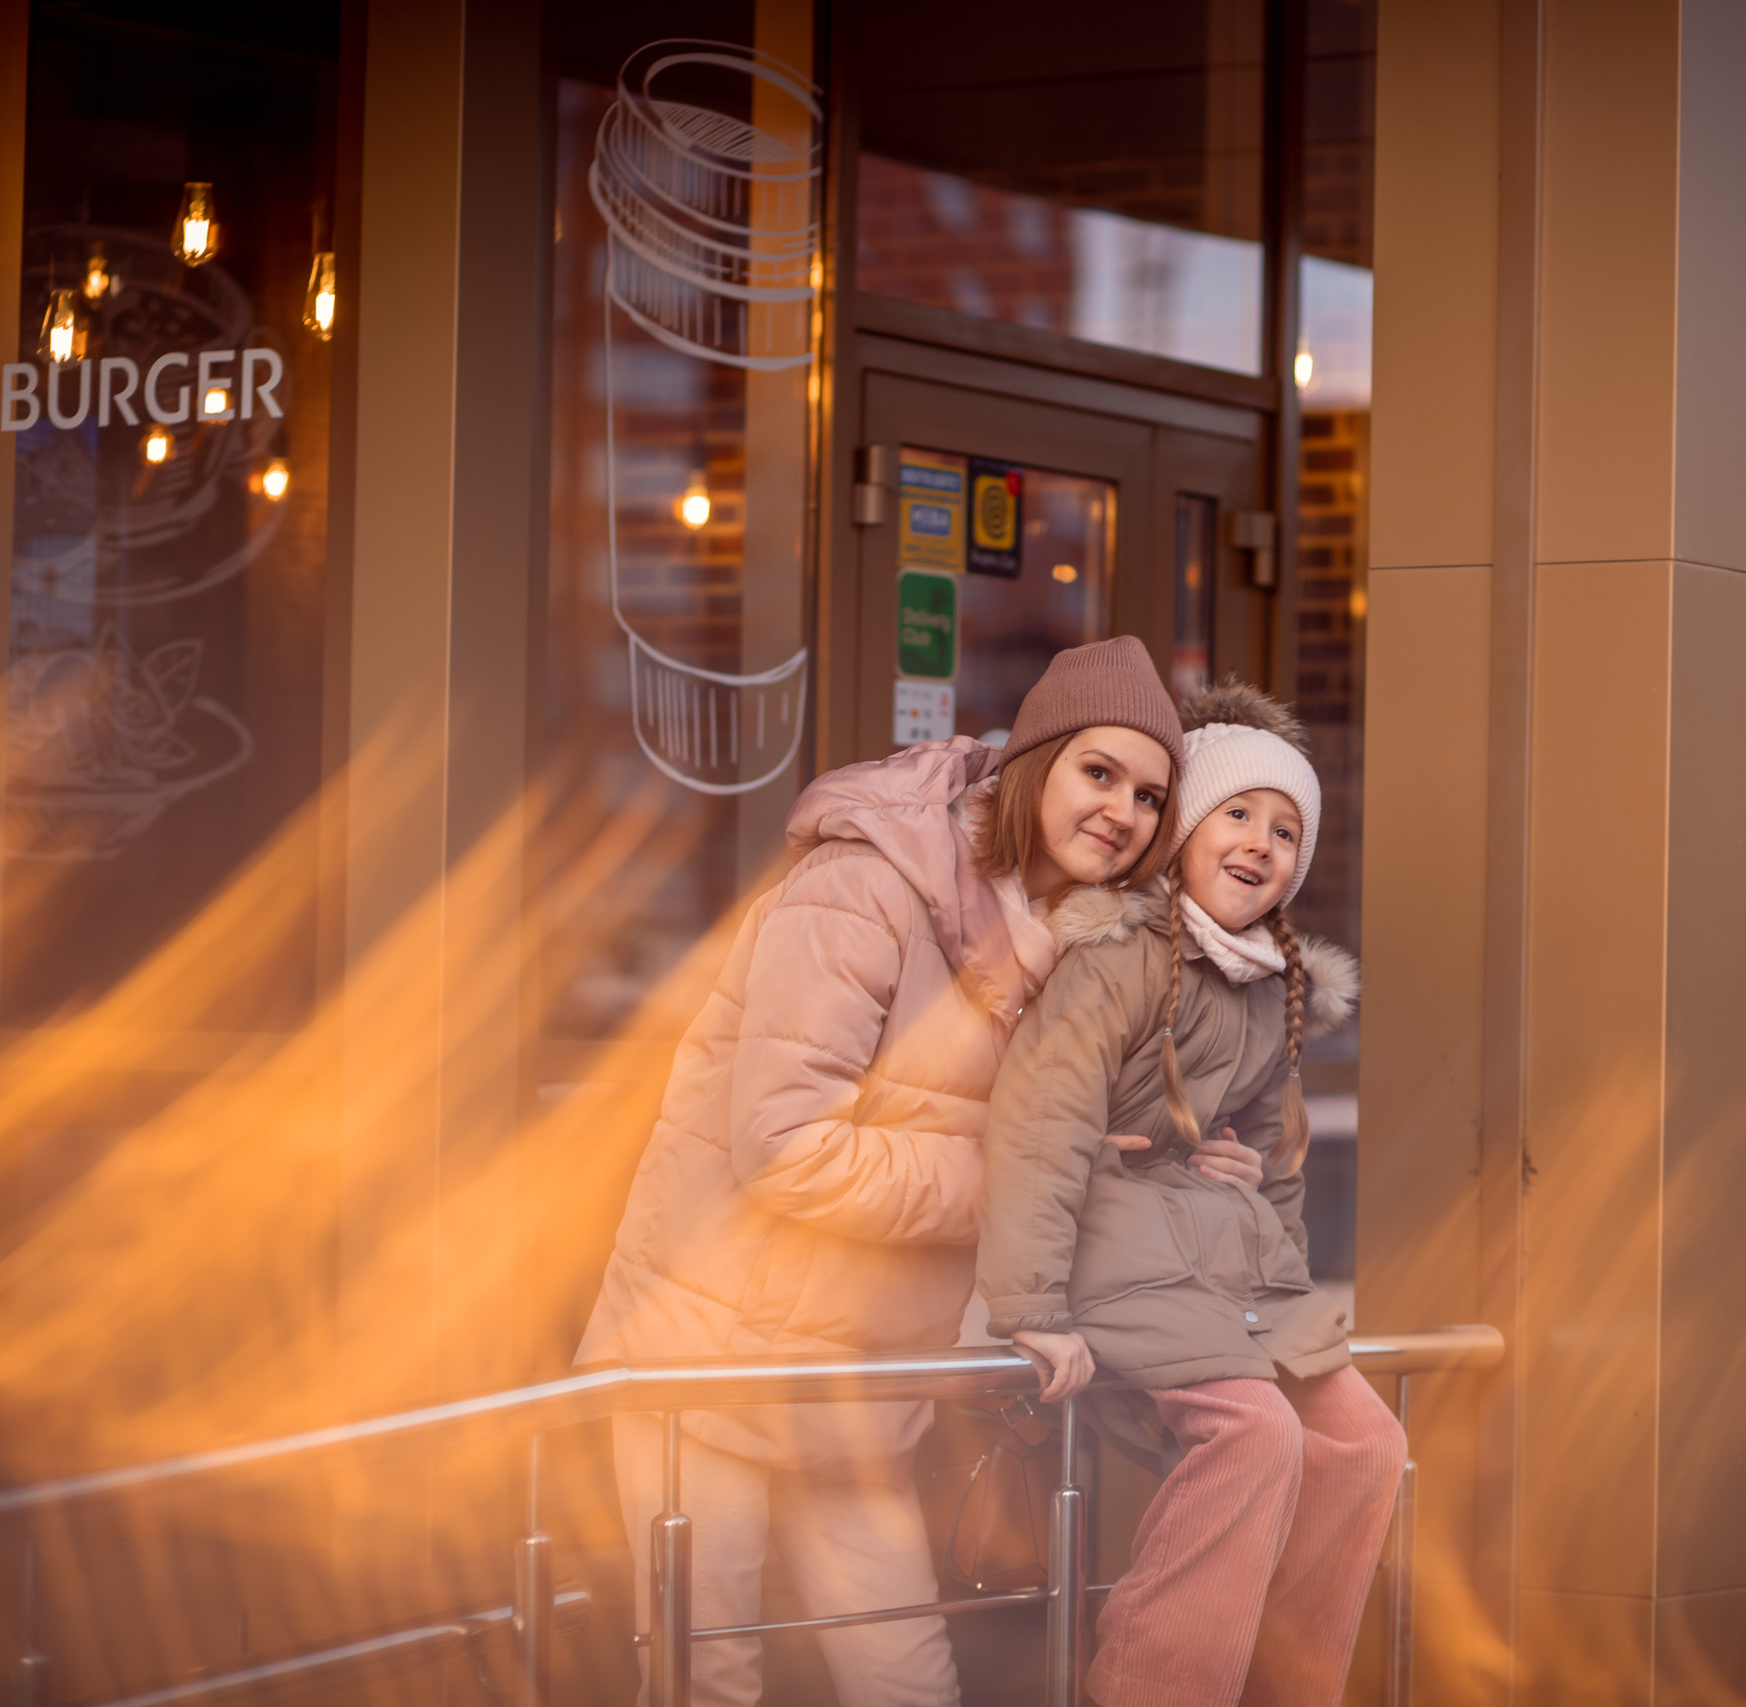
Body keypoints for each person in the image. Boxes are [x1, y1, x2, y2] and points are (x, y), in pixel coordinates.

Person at [577, 637, 1261, 1707]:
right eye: (1098, 772)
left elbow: (1082, 1153)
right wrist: (1014, 1182)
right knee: (709, 1681)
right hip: (704, 1360)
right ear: (1035, 760)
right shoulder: (863, 886)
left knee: (907, 1682)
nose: (1121, 810)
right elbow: (787, 1149)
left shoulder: (1076, 953)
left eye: (1147, 795)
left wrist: (1192, 1166)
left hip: (858, 1384)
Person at [974, 681, 1402, 1707]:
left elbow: (1278, 1156)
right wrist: (1030, 1308)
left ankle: (1279, 1684)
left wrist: (1285, 1294)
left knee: (1363, 1442)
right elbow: (1040, 1122)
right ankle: (1152, 1687)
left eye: (1287, 831)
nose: (1262, 843)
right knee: (1254, 1435)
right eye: (1238, 815)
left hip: (1222, 1274)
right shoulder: (1120, 957)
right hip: (1118, 1263)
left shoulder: (1266, 986)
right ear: (1183, 833)